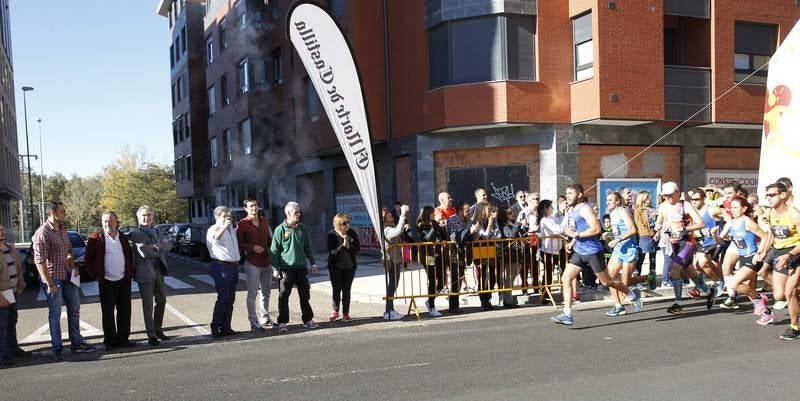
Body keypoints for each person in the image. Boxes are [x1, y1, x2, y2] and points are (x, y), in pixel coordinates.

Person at [551, 184, 640, 326]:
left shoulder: (585, 209)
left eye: (570, 193)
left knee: (607, 282)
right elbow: (576, 229)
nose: (567, 196)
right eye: (566, 193)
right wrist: (573, 241)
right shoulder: (572, 209)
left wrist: (576, 234)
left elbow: (596, 229)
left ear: (579, 194)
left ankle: (631, 294)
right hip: (580, 251)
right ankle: (567, 314)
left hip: (593, 251)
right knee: (566, 278)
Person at [33, 202, 96, 360]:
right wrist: (50, 284)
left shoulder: (62, 230)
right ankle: (57, 348)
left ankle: (76, 342)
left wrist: (71, 260)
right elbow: (39, 262)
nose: (65, 213)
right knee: (55, 314)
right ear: (52, 213)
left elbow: (69, 250)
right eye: (62, 211)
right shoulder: (42, 233)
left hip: (69, 275)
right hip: (54, 278)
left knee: (74, 310)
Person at [654, 182, 712, 313]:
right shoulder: (663, 206)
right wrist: (657, 228)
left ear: (676, 192)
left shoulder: (685, 205)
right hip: (672, 243)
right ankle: (709, 292)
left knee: (674, 269)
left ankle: (678, 303)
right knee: (690, 273)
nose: (667, 197)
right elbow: (660, 220)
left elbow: (701, 224)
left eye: (669, 195)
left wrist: (684, 228)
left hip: (687, 242)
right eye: (665, 195)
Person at [713, 197, 770, 321]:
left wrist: (760, 253)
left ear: (744, 208)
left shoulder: (747, 222)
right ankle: (767, 313)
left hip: (753, 257)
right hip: (743, 258)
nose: (732, 210)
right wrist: (714, 235)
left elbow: (764, 236)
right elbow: (720, 241)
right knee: (748, 291)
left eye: (735, 207)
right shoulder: (730, 223)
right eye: (731, 208)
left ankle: (760, 299)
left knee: (735, 283)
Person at [85, 212, 135, 350]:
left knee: (125, 311)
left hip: (123, 279)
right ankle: (110, 341)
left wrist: (130, 273)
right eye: (105, 221)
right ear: (102, 223)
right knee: (107, 312)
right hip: (106, 281)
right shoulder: (95, 239)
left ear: (116, 222)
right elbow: (88, 260)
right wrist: (96, 275)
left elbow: (129, 256)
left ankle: (123, 339)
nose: (108, 223)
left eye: (110, 221)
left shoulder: (123, 238)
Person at [760, 182, 800, 340]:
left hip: (795, 252)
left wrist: (790, 255)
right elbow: (771, 234)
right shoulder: (770, 213)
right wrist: (763, 251)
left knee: (789, 292)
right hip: (779, 252)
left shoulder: (794, 214)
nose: (768, 198)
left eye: (772, 195)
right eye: (767, 195)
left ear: (783, 195)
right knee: (779, 296)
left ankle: (794, 327)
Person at [271, 201, 318, 333]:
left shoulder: (302, 228)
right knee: (284, 295)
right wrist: (275, 269)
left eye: (299, 211)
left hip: (301, 267)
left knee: (305, 294)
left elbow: (308, 247)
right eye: (296, 212)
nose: (298, 214)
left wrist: (313, 262)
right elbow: (274, 251)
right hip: (286, 268)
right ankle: (283, 322)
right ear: (288, 213)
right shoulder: (280, 230)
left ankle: (308, 319)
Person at [130, 205, 173, 346]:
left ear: (152, 216)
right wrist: (158, 247)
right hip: (145, 273)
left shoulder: (157, 230)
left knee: (162, 301)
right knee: (147, 305)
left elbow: (168, 246)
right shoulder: (136, 233)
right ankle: (151, 334)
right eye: (143, 215)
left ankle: (158, 328)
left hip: (159, 270)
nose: (146, 218)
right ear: (138, 217)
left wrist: (156, 247)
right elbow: (144, 252)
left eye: (148, 215)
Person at [236, 198, 275, 332]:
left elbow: (271, 241)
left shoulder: (265, 221)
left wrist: (274, 256)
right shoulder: (242, 224)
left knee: (266, 292)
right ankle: (253, 321)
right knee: (252, 293)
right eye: (251, 206)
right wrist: (252, 247)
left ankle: (265, 318)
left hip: (266, 262)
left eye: (255, 205)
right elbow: (239, 244)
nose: (254, 208)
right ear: (245, 209)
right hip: (252, 263)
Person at [604, 192, 644, 316]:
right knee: (609, 278)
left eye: (610, 200)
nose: (608, 202)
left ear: (617, 201)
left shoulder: (623, 211)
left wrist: (617, 239)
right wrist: (610, 235)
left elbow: (632, 229)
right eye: (607, 200)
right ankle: (618, 306)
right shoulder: (612, 213)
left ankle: (648, 278)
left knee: (625, 282)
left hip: (629, 249)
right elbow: (619, 232)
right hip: (619, 249)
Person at [687, 188, 725, 302]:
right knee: (696, 266)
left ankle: (718, 283)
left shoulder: (712, 210)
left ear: (703, 199)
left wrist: (727, 230)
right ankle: (701, 287)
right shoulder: (693, 212)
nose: (693, 202)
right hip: (702, 241)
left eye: (696, 199)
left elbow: (727, 214)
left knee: (702, 263)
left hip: (715, 241)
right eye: (692, 200)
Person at [0, 224, 28, 366]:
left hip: (12, 291)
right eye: (0, 230)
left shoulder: (9, 248)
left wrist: (20, 285)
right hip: (2, 294)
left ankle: (13, 349)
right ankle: (2, 356)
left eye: (3, 229)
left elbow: (18, 268)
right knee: (2, 325)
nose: (2, 232)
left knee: (12, 321)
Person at [326, 213, 360, 322]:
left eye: (348, 222)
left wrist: (349, 246)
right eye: (344, 223)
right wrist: (342, 246)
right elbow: (332, 252)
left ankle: (346, 313)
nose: (347, 225)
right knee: (336, 289)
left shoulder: (351, 233)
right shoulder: (331, 235)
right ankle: (335, 311)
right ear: (338, 224)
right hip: (336, 268)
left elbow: (357, 248)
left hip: (349, 267)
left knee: (346, 290)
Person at [416, 206, 447, 316]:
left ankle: (430, 300)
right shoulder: (421, 225)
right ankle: (432, 306)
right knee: (432, 279)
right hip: (428, 256)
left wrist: (443, 227)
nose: (434, 214)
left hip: (438, 254)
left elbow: (444, 237)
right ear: (427, 214)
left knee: (442, 280)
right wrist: (434, 226)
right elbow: (427, 238)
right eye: (432, 213)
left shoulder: (435, 223)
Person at [382, 204, 410, 320]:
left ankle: (391, 309)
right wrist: (403, 215)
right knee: (392, 285)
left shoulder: (391, 226)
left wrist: (404, 227)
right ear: (383, 218)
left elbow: (399, 230)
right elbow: (397, 231)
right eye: (387, 215)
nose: (390, 215)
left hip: (396, 258)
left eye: (390, 213)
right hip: (391, 259)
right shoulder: (387, 229)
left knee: (394, 285)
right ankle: (388, 311)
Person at [473, 201, 500, 311]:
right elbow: (484, 236)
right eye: (488, 210)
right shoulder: (477, 222)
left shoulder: (493, 221)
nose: (490, 212)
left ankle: (488, 299)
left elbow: (498, 236)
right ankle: (483, 301)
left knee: (492, 275)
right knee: (483, 276)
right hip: (480, 250)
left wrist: (494, 222)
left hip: (491, 249)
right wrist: (489, 224)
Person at [537, 200, 564, 304]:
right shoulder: (544, 220)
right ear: (546, 209)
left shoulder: (553, 218)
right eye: (551, 207)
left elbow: (562, 223)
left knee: (565, 269)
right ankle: (545, 295)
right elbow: (556, 229)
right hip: (548, 251)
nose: (553, 208)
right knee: (549, 274)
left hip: (558, 249)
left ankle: (565, 291)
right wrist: (563, 227)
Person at [447, 202, 472, 312]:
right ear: (460, 211)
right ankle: (453, 306)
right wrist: (468, 231)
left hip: (465, 254)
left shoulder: (469, 221)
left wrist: (475, 232)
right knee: (455, 280)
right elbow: (454, 237)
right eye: (467, 211)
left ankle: (455, 304)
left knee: (460, 279)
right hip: (454, 254)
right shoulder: (452, 220)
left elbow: (472, 239)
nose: (469, 213)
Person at [497, 205, 523, 309]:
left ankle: (508, 297)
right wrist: (517, 224)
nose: (512, 214)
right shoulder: (503, 225)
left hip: (516, 253)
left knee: (514, 275)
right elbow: (511, 234)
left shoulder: (511, 223)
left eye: (512, 212)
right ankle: (507, 300)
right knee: (509, 277)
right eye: (509, 213)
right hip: (508, 253)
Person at [633, 191, 658, 289]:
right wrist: (652, 233)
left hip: (654, 235)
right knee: (641, 259)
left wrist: (657, 233)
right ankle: (637, 280)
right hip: (644, 236)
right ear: (642, 199)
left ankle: (652, 279)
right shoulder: (638, 211)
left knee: (653, 259)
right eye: (647, 198)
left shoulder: (652, 209)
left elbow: (657, 222)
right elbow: (640, 226)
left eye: (649, 197)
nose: (649, 199)